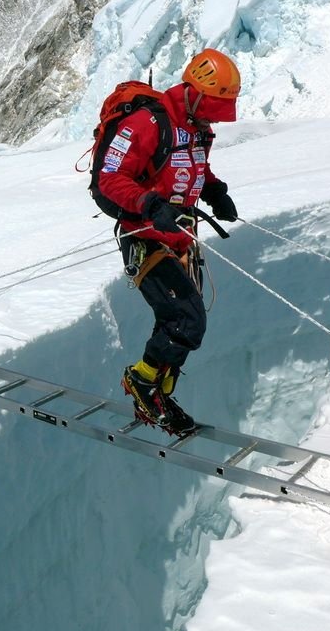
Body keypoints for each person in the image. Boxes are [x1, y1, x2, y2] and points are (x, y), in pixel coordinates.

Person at [93, 49, 241, 434]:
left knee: (182, 320)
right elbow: (108, 178)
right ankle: (142, 381)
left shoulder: (195, 127)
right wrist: (149, 204)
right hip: (143, 236)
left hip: (178, 239)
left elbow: (193, 166)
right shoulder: (147, 123)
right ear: (194, 92)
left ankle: (157, 387)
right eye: (212, 106)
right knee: (187, 317)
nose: (214, 116)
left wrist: (214, 191)